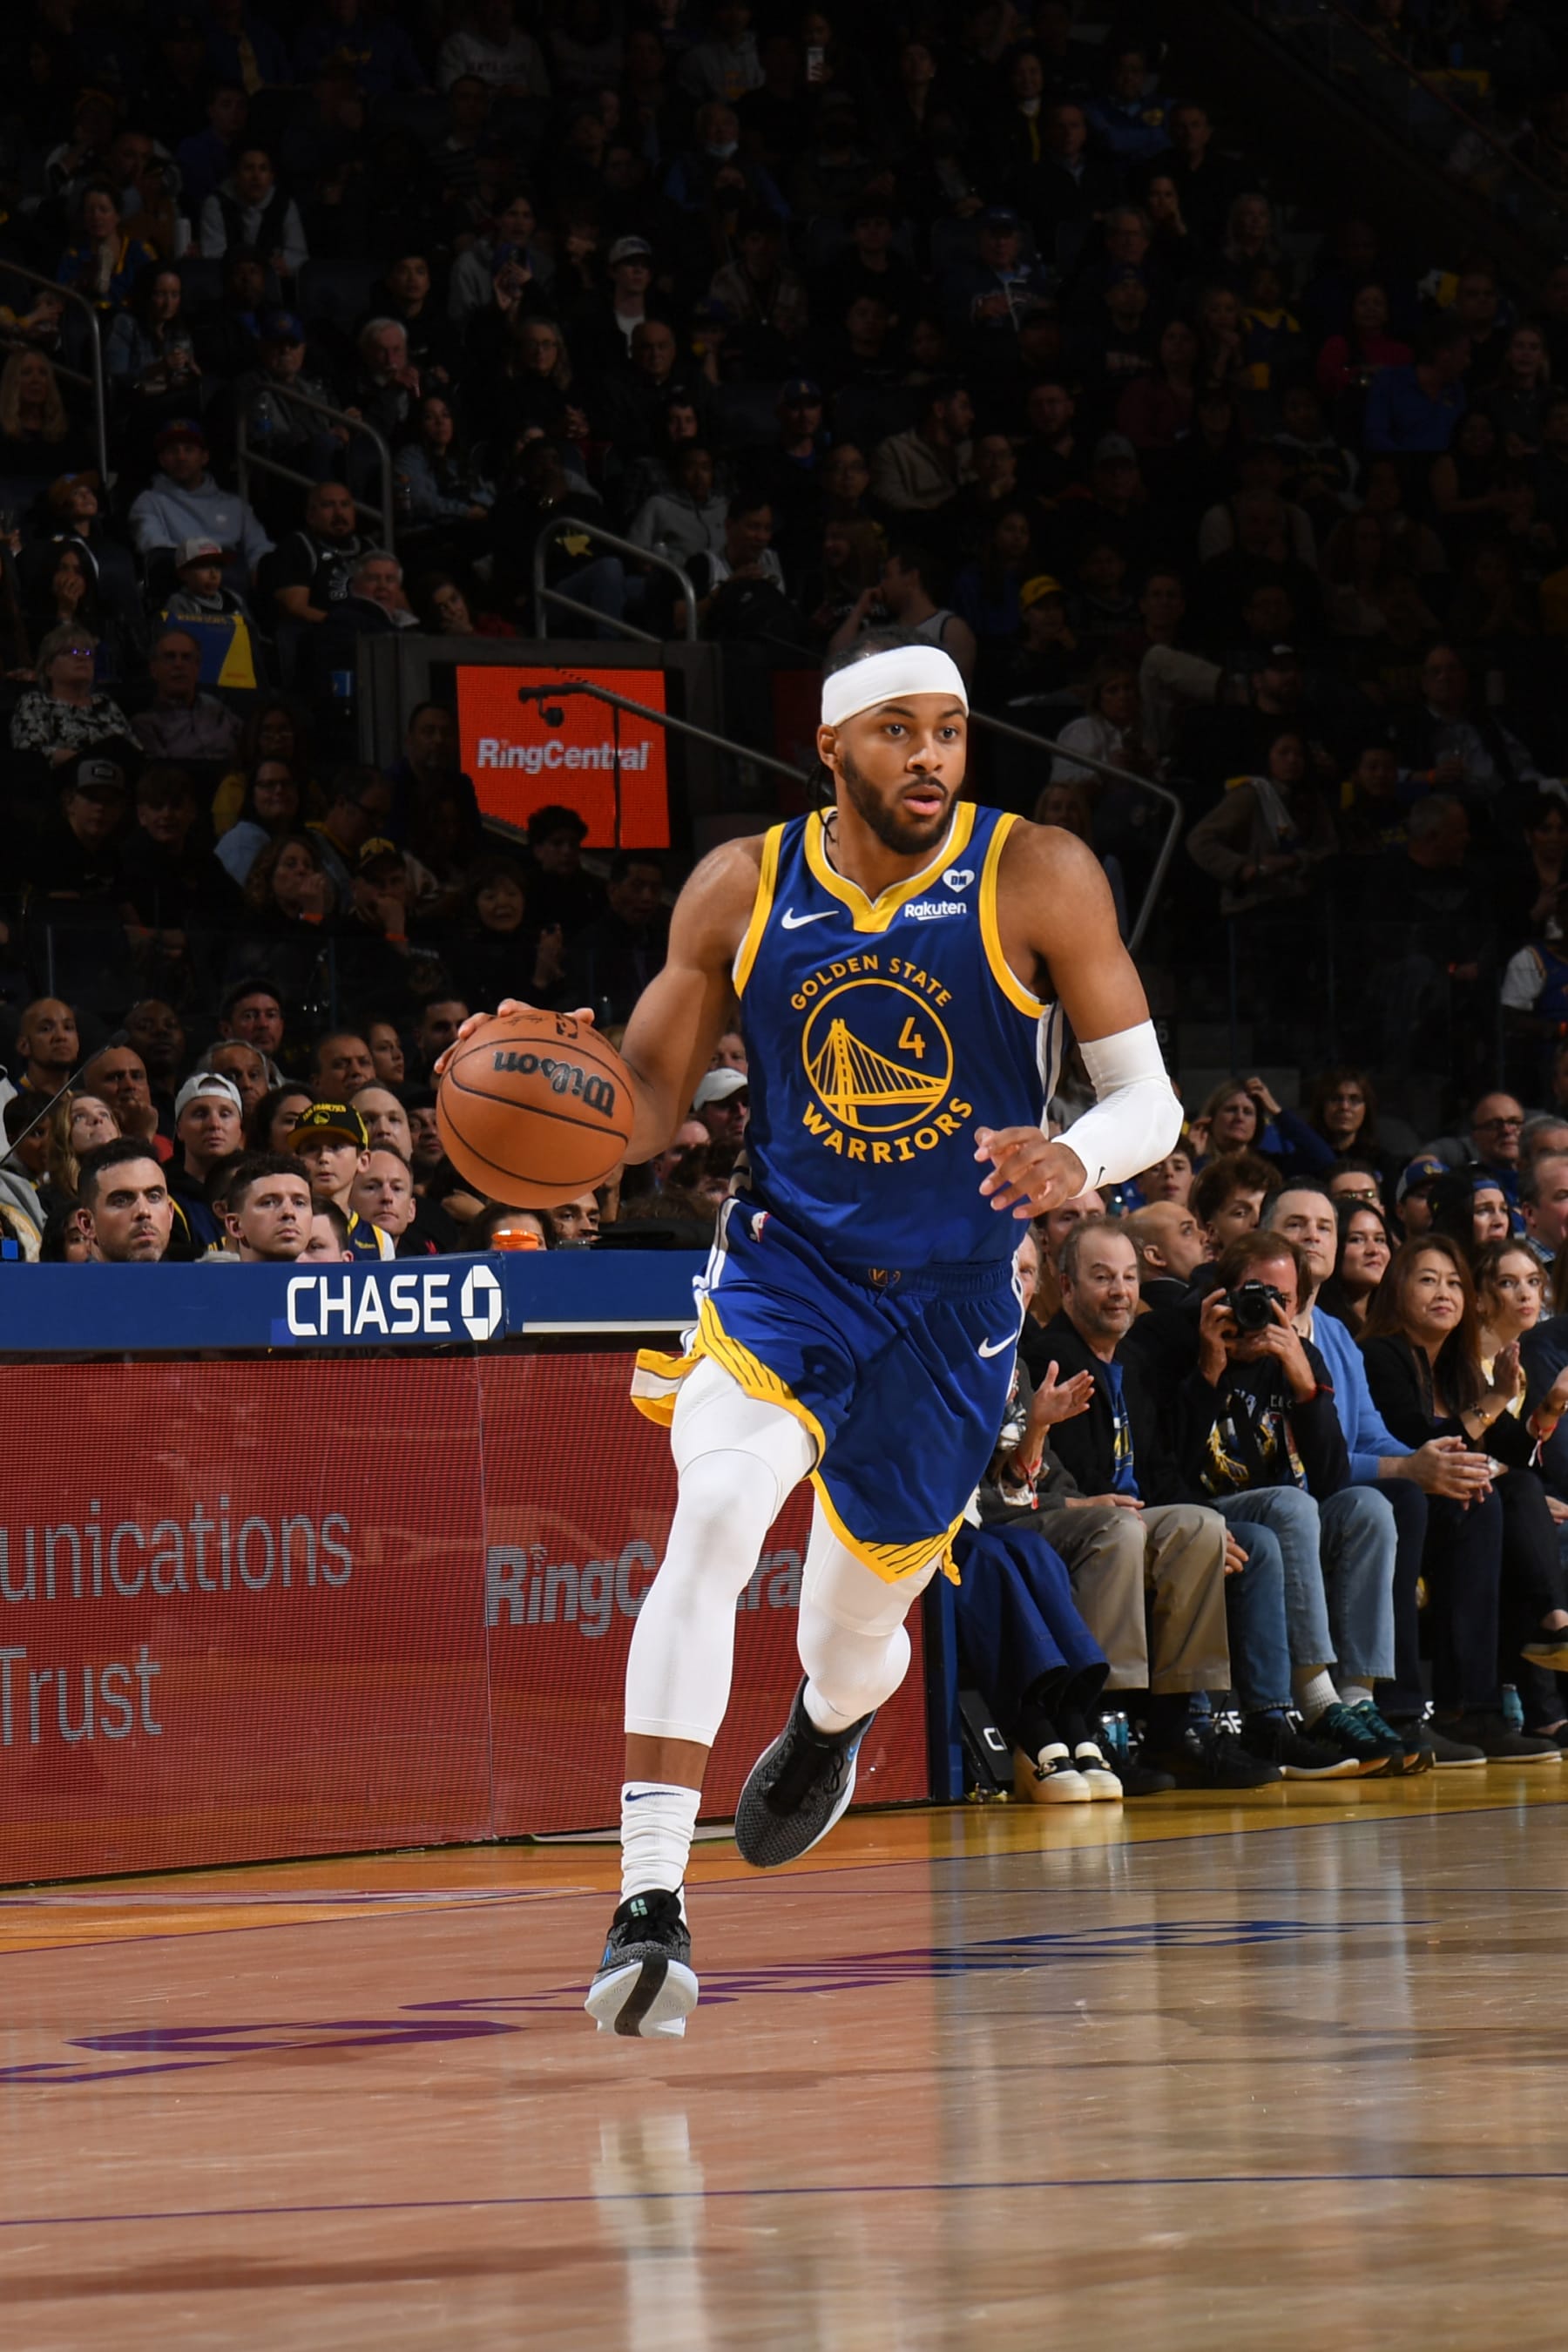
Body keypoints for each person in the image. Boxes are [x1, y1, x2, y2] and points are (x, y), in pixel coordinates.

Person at [443, 627, 1181, 2037]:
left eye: (950, 732)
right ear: (831, 747)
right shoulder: (742, 886)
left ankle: (831, 1728)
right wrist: (556, 1071)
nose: (929, 757)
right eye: (897, 731)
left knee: (851, 1638)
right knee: (714, 1517)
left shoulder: (1037, 872)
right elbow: (649, 1110)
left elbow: (1146, 1095)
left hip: (954, 1313)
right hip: (787, 1275)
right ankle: (648, 1900)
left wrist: (1082, 1158)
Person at [1178, 1227, 1407, 1773]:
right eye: (1252, 1294)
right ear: (1223, 1293)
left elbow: (1333, 1479)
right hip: (1213, 1509)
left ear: (1299, 1302)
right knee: (1290, 1504)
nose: (1264, 1310)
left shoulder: (1302, 1355)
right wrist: (1209, 1373)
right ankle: (1315, 1699)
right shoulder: (1181, 1346)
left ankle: (1356, 1698)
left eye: (1279, 1299)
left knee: (1370, 1508)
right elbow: (1170, 1468)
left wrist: (1307, 1390)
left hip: (1293, 1510)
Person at [1362, 1235, 1568, 1757]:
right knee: (1481, 1499)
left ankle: (1491, 1697)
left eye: (1454, 1282)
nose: (1444, 1293)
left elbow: (1512, 1456)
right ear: (1397, 1290)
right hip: (1397, 1501)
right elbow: (1416, 1443)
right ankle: (1458, 1706)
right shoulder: (1381, 1353)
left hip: (1452, 1507)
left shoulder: (1457, 1367)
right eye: (1427, 1280)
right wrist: (1496, 1400)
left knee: (1512, 1490)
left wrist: (1547, 1409)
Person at [287, 1101, 393, 1258]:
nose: (324, 1158)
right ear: (296, 1160)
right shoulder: (283, 1228)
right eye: (311, 1148)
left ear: (363, 1160)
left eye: (336, 1147)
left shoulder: (379, 1241)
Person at [76, 1139, 173, 1263]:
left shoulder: (196, 1281)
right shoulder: (62, 1283)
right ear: (87, 1224)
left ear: (170, 1214)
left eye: (154, 1197)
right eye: (121, 1200)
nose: (143, 1211)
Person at [224, 1152, 314, 1260]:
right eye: (269, 1203)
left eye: (299, 1203)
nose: (289, 1212)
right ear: (236, 1225)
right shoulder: (207, 1277)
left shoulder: (334, 1276)